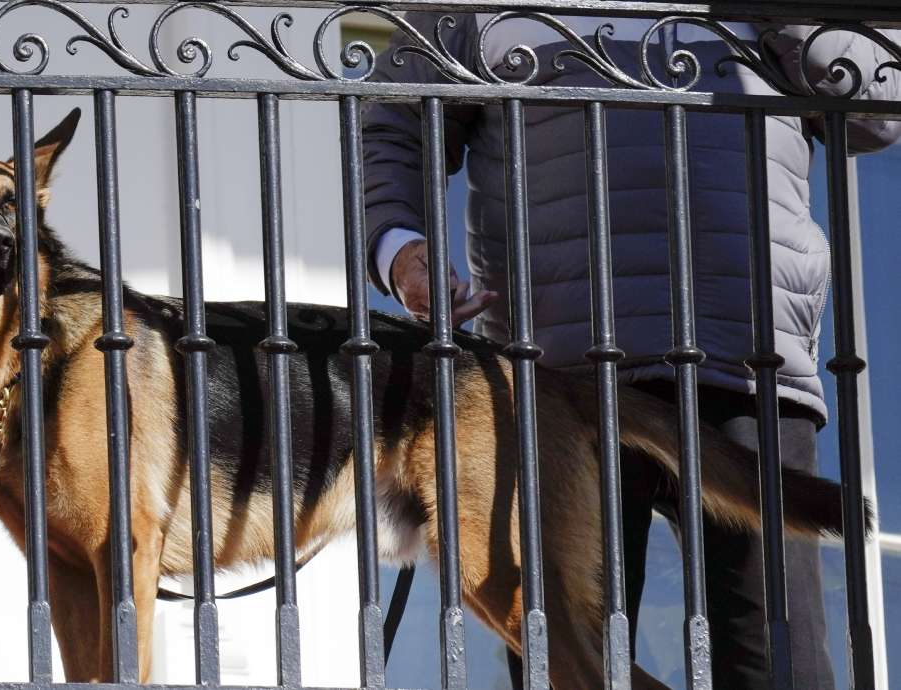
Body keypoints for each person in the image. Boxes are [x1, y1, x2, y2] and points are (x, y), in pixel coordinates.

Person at [362, 14, 901, 689]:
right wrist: (400, 250)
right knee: (570, 657)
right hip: (556, 375)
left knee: (773, 657)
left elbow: (875, 113)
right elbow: (395, 122)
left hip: (745, 360)